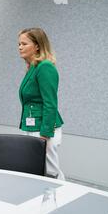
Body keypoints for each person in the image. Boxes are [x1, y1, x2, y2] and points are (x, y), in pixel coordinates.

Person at [18, 28, 65, 180]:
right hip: (32, 126)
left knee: (51, 173)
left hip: (44, 129)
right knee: (36, 171)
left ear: (37, 46)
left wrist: (44, 134)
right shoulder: (33, 67)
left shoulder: (45, 67)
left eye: (24, 43)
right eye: (19, 44)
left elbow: (50, 103)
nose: (20, 47)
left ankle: (60, 199)